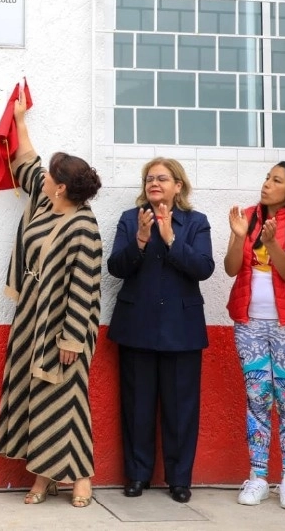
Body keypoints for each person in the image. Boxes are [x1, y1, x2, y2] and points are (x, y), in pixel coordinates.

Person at [0, 94, 103, 509]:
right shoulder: (45, 201)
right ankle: (43, 474)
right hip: (31, 318)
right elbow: (26, 161)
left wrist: (73, 339)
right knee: (37, 395)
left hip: (66, 326)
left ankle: (81, 477)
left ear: (61, 186)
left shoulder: (84, 226)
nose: (43, 177)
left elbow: (86, 286)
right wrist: (20, 119)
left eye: (51, 175)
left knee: (68, 397)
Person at [107, 158, 214, 504]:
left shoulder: (196, 223)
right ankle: (137, 475)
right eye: (149, 178)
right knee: (137, 407)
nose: (154, 183)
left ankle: (179, 479)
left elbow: (203, 268)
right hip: (136, 326)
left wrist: (170, 239)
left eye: (162, 178)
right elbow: (115, 267)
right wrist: (140, 239)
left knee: (181, 409)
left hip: (181, 330)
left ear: (177, 186)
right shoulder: (129, 219)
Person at [223, 162, 285, 510]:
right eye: (266, 177)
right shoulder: (248, 216)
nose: (266, 184)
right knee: (257, 400)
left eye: (276, 180)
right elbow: (232, 269)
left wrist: (270, 244)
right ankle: (259, 476)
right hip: (250, 323)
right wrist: (238, 236)